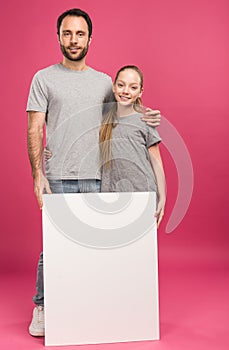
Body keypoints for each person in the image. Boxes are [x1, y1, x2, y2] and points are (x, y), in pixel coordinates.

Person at [27, 8, 161, 337]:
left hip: (100, 178)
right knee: (54, 247)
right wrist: (37, 175)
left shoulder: (104, 82)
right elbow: (34, 128)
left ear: (90, 39)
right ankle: (42, 306)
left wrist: (149, 117)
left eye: (80, 34)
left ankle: (87, 307)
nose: (74, 40)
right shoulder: (43, 78)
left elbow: (123, 109)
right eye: (68, 33)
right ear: (58, 37)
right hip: (58, 176)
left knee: (95, 247)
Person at [99, 65, 166, 227]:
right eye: (121, 85)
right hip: (110, 196)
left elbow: (156, 162)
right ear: (114, 87)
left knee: (140, 246)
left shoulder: (145, 121)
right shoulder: (102, 121)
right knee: (114, 244)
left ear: (140, 92)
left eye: (133, 87)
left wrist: (162, 196)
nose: (126, 91)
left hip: (142, 194)